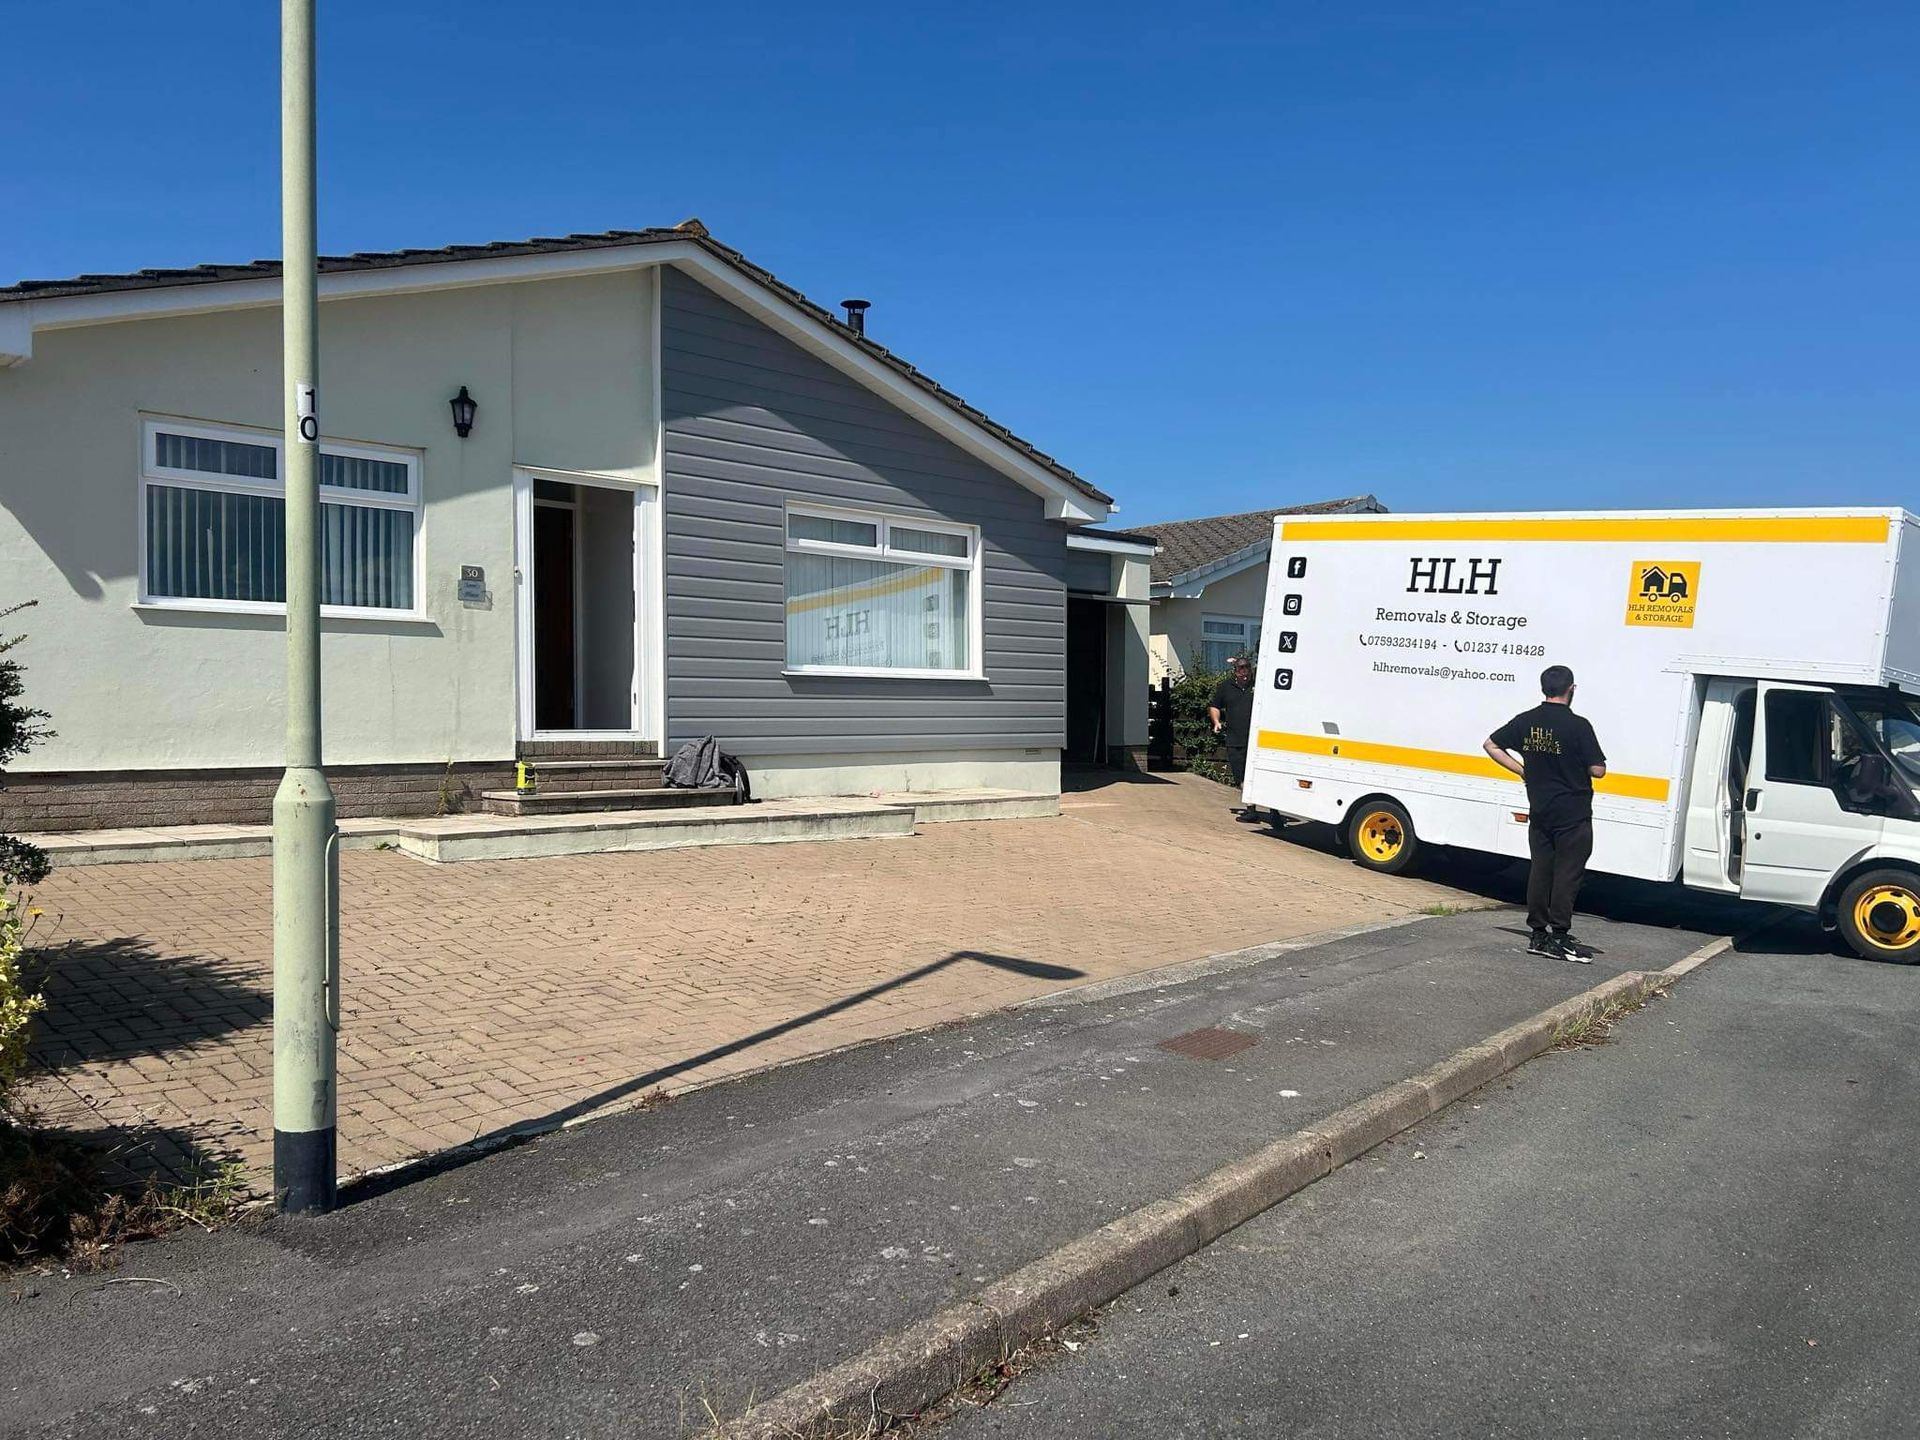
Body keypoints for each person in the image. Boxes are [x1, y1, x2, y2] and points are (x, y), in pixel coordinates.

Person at [1484, 665, 1607, 961]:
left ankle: (1538, 934)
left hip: (1540, 808)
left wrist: (1524, 771)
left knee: (1541, 870)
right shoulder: (1578, 726)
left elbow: (1491, 744)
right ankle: (1560, 937)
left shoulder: (1526, 721)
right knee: (1567, 874)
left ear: (1543, 688)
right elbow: (1598, 770)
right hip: (1573, 812)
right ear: (1571, 689)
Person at [1209, 656, 1260, 821]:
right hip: (1235, 739)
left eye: (1247, 668)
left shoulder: (1258, 685)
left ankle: (1258, 809)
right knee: (1240, 777)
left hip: (1256, 740)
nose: (1244, 672)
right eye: (1241, 669)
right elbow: (1215, 705)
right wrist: (1216, 721)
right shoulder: (1226, 687)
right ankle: (1251, 807)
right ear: (1235, 671)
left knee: (1259, 775)